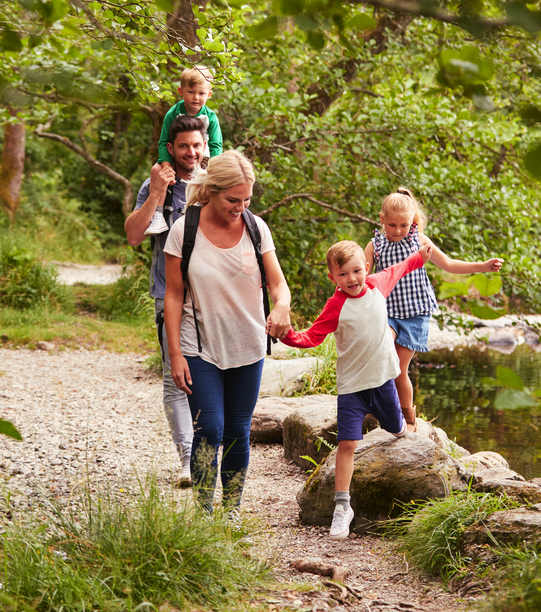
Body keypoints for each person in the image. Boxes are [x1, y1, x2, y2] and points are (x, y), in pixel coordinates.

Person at [163, 150, 291, 516]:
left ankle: (231, 510)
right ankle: (204, 515)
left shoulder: (256, 228)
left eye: (247, 199)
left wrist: (281, 305)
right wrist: (175, 354)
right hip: (198, 347)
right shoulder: (183, 231)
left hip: (247, 345)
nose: (240, 207)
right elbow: (173, 296)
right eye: (232, 200)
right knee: (211, 429)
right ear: (211, 191)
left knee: (237, 429)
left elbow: (279, 285)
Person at [280, 239, 433, 540]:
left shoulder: (377, 284)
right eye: (343, 274)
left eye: (356, 271)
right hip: (352, 387)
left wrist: (419, 257)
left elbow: (400, 268)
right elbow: (311, 337)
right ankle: (342, 506)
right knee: (347, 444)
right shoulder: (335, 306)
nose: (352, 279)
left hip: (382, 382)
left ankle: (403, 424)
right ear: (333, 278)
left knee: (396, 430)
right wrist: (286, 335)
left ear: (365, 268)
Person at [365, 187, 503, 431]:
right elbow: (362, 277)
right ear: (382, 219)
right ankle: (381, 408)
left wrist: (482, 266)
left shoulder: (419, 241)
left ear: (413, 222)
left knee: (399, 369)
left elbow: (448, 264)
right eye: (392, 225)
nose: (398, 231)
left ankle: (408, 418)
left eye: (404, 225)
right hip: (387, 313)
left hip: (415, 314)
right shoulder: (375, 245)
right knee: (383, 358)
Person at [124, 115, 210, 488]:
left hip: (211, 295)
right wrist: (157, 193)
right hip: (168, 293)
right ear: (171, 149)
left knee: (211, 373)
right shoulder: (155, 184)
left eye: (196, 145)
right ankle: (188, 460)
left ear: (205, 147)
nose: (190, 152)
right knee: (175, 378)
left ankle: (211, 449)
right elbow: (133, 236)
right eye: (183, 146)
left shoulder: (215, 184)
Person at [144, 66, 224, 237]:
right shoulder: (172, 114)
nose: (196, 97)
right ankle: (158, 216)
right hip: (175, 157)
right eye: (191, 92)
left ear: (209, 95)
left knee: (215, 181)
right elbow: (164, 141)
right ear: (181, 91)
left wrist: (213, 167)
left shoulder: (211, 117)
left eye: (201, 93)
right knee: (158, 171)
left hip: (204, 158)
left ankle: (211, 217)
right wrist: (166, 166)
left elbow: (217, 145)